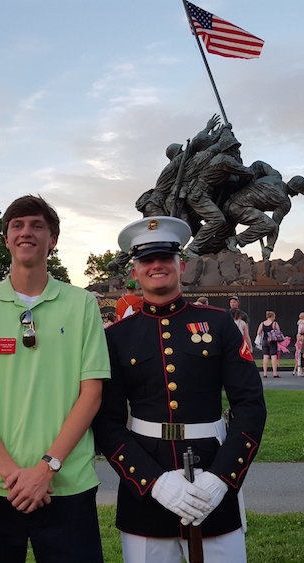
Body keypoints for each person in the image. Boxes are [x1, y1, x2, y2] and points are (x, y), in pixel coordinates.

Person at [93, 216, 266, 563]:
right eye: (146, 259)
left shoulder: (219, 325)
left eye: (166, 258)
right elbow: (107, 422)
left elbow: (250, 406)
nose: (157, 265)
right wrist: (153, 482)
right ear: (136, 271)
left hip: (213, 475)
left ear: (181, 265)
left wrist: (222, 479)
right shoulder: (116, 337)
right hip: (145, 483)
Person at [0, 195, 108, 563]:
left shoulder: (82, 304)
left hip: (65, 485)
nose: (26, 232)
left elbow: (92, 394)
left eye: (37, 225)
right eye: (17, 226)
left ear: (53, 239)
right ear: (6, 238)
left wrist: (45, 469)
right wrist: (13, 475)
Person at [257, 311, 281, 378]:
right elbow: (279, 332)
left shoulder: (262, 323)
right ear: (272, 316)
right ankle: (274, 373)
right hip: (272, 341)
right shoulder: (274, 324)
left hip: (264, 340)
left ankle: (265, 373)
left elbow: (258, 332)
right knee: (273, 356)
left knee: (265, 356)